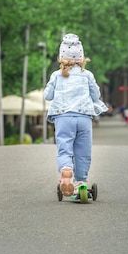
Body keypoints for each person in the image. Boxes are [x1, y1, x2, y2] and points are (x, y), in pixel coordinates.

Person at [44, 33, 108, 197]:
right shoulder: (87, 75)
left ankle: (66, 170)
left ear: (61, 57)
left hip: (63, 117)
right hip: (84, 118)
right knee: (83, 151)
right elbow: (96, 95)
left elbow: (48, 96)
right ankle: (81, 182)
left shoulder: (56, 75)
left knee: (65, 149)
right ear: (81, 57)